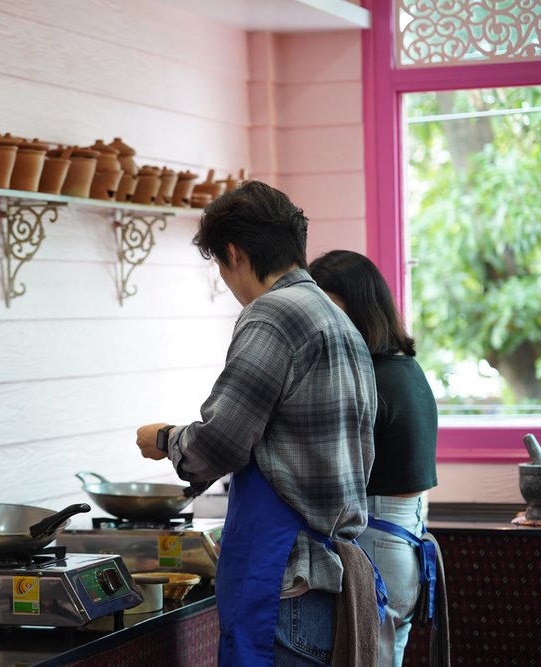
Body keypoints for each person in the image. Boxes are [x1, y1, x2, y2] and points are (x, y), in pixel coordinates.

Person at [136, 181, 379, 666]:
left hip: (285, 581)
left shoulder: (272, 315)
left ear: (234, 252)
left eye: (221, 267)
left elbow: (220, 444)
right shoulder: (335, 319)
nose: (228, 283)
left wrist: (165, 438)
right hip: (325, 572)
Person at [309, 249, 440, 667]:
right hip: (406, 539)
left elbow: (330, 469)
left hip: (378, 542)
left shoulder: (368, 379)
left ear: (357, 307)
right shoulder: (407, 369)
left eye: (328, 307)